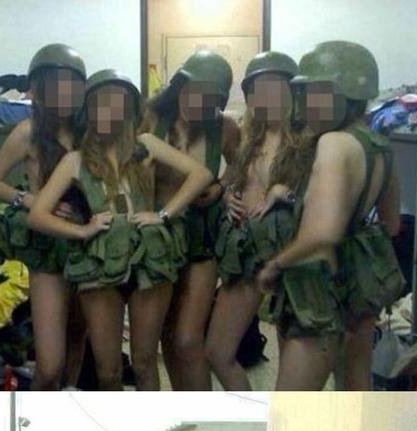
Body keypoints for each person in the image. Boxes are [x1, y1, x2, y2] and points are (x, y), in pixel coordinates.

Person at [28, 68, 212, 390]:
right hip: (100, 260)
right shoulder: (74, 160)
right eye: (99, 103)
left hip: (148, 257)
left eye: (115, 103)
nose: (107, 111)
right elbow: (38, 215)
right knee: (108, 371)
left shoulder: (146, 145)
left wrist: (164, 214)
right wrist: (82, 231)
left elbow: (201, 175)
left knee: (144, 363)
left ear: (128, 110)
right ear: (88, 110)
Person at [256, 42, 404, 391]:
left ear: (341, 96)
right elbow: (391, 224)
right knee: (355, 389)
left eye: (314, 94)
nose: (307, 104)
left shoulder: (334, 142)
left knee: (291, 406)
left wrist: (275, 265)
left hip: (319, 291)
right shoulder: (380, 146)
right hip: (358, 290)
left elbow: (323, 232)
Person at [0, 44, 89, 388]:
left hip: (89, 241)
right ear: (39, 89)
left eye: (71, 85)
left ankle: (67, 399)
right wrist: (32, 200)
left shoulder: (90, 130)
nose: (64, 93)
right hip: (48, 247)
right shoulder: (28, 131)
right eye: (55, 85)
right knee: (50, 364)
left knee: (78, 336)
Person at [145, 49, 240, 389]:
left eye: (208, 96)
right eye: (193, 91)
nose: (198, 101)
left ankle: (206, 410)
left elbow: (241, 163)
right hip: (157, 238)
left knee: (188, 338)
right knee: (167, 336)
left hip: (201, 236)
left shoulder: (225, 127)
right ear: (179, 87)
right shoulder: (150, 119)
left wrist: (221, 187)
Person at [207, 53, 297, 390]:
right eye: (258, 89)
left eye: (275, 87)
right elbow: (232, 179)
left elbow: (324, 195)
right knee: (217, 351)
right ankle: (252, 413)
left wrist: (285, 191)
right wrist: (227, 195)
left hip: (290, 254)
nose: (266, 96)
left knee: (292, 372)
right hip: (245, 248)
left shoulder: (309, 140)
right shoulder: (248, 134)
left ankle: (281, 421)